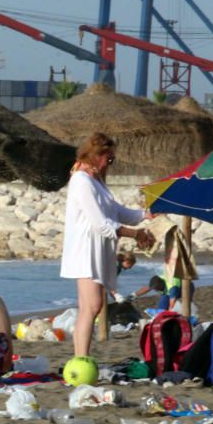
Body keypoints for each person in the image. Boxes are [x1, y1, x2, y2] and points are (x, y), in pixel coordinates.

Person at [60, 132, 155, 357]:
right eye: (109, 158)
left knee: (92, 307)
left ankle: (82, 356)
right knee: (92, 306)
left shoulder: (96, 180)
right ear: (96, 155)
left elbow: (116, 211)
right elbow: (101, 223)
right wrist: (135, 234)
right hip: (85, 250)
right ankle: (80, 358)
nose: (110, 163)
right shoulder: (81, 180)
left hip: (97, 249)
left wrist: (145, 214)